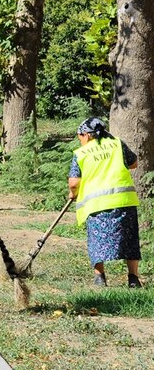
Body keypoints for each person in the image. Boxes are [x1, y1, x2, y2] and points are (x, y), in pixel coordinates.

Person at [68, 117, 142, 288]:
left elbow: (73, 183)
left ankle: (100, 277)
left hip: (97, 205)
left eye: (79, 136)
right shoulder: (117, 144)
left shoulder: (81, 153)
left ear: (86, 135)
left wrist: (73, 194)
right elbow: (134, 163)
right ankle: (133, 278)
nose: (79, 140)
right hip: (124, 201)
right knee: (129, 240)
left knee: (96, 241)